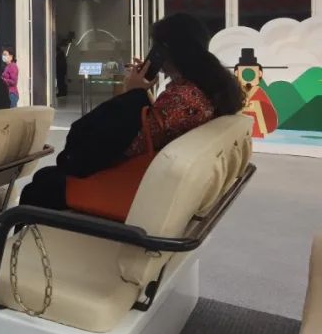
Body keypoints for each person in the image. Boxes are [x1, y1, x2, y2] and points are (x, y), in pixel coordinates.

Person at [19, 13, 244, 210]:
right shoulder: (203, 90)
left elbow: (124, 145)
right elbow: (158, 124)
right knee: (47, 178)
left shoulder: (182, 97)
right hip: (162, 178)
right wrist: (140, 93)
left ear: (168, 50)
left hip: (136, 184)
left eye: (156, 47)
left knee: (43, 183)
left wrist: (133, 93)